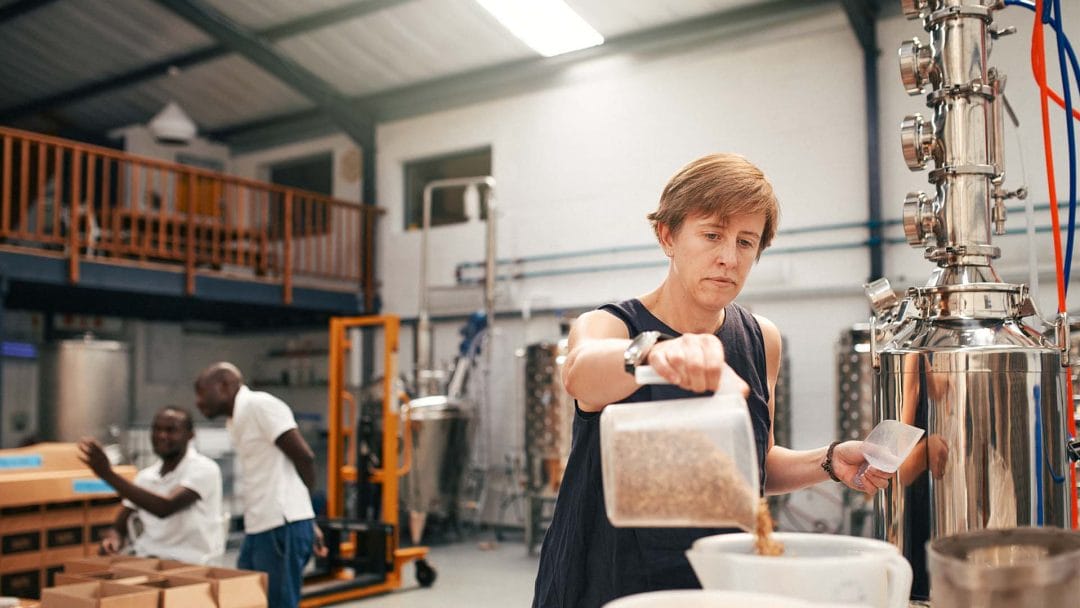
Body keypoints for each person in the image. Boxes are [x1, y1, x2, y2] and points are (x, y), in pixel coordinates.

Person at [531, 154, 893, 608]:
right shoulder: (612, 325)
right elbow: (581, 374)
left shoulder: (762, 338)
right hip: (607, 578)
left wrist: (829, 460)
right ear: (667, 236)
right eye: (711, 235)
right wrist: (658, 353)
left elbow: (753, 465)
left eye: (746, 242)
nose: (728, 258)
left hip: (716, 575)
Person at [194, 361, 326, 608]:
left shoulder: (260, 405)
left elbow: (304, 456)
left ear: (224, 386)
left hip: (279, 525)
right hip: (259, 527)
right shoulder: (235, 421)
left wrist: (304, 516)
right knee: (248, 599)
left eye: (201, 392)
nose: (198, 402)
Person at [78, 406, 224, 564]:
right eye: (157, 429)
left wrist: (108, 474)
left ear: (190, 435)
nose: (162, 435)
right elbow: (118, 527)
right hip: (148, 560)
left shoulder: (204, 469)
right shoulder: (145, 477)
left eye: (171, 430)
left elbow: (165, 507)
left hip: (192, 565)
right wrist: (113, 541)